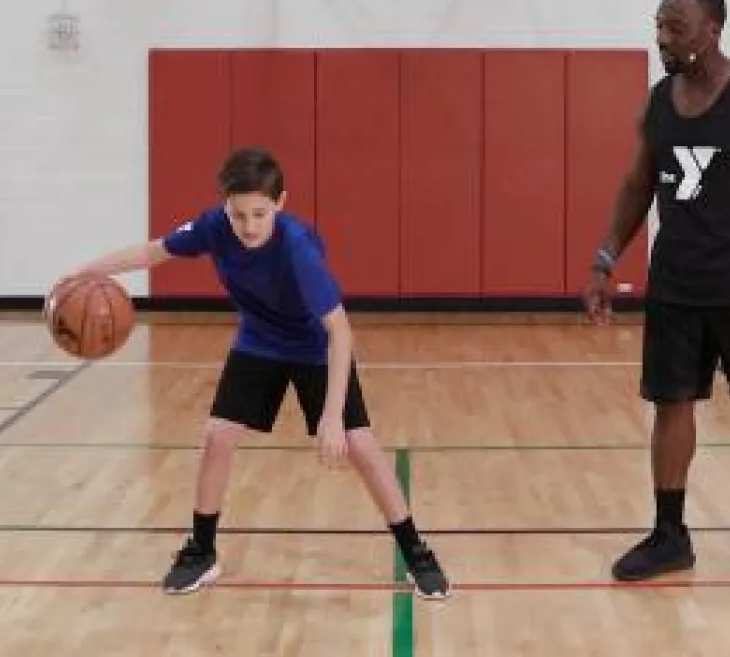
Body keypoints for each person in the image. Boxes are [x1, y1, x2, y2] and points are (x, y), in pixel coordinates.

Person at [64, 146, 450, 599]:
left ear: (280, 203)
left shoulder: (297, 250)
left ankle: (416, 552)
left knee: (361, 444)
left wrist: (330, 417)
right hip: (259, 341)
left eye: (259, 214)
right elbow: (152, 252)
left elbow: (341, 333)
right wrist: (80, 274)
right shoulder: (214, 227)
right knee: (218, 436)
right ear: (225, 205)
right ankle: (202, 551)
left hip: (314, 348)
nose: (248, 226)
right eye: (238, 214)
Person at [582, 0, 730, 596]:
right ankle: (669, 535)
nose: (663, 37)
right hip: (677, 286)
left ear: (711, 30)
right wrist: (606, 259)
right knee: (671, 406)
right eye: (659, 24)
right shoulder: (658, 102)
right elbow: (637, 187)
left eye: (676, 27)